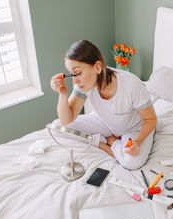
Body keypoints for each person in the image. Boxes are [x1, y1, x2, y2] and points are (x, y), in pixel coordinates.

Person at [50, 40, 157, 170]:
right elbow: (66, 120)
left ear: (97, 67)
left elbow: (151, 119)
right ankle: (102, 143)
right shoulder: (83, 84)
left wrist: (137, 142)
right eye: (71, 74)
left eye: (78, 73)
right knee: (57, 127)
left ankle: (112, 142)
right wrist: (62, 94)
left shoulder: (131, 85)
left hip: (134, 129)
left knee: (132, 162)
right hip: (107, 123)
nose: (75, 80)